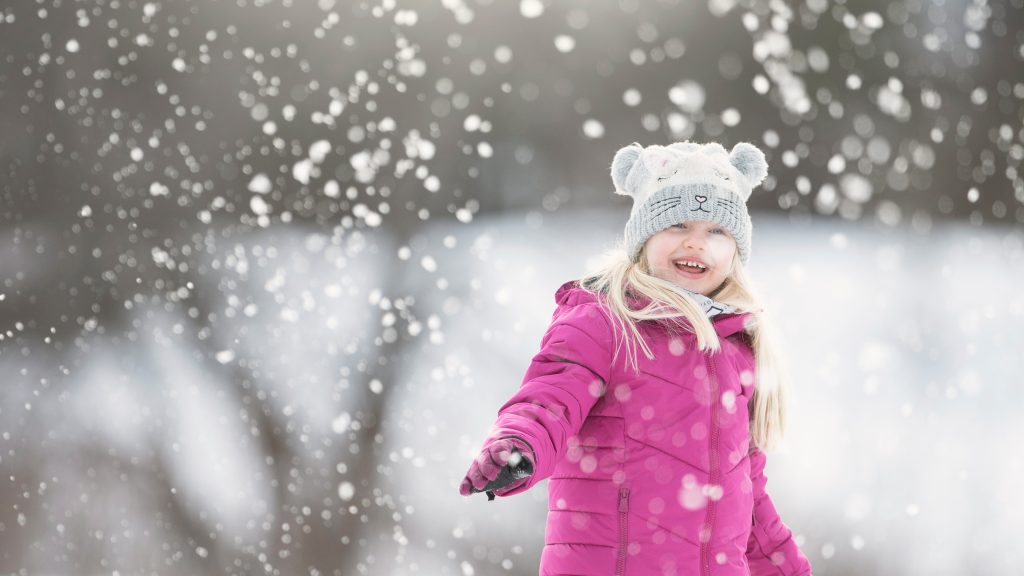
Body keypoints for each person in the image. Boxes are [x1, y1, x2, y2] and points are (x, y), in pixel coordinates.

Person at [458, 141, 813, 576]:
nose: (696, 243)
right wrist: (519, 444)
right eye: (677, 224)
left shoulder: (737, 352)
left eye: (716, 231)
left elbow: (749, 499)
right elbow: (549, 397)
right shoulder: (605, 322)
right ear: (644, 238)